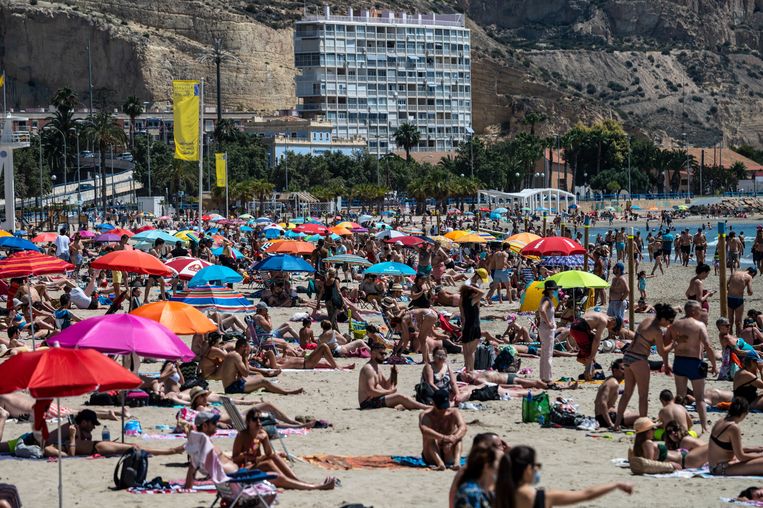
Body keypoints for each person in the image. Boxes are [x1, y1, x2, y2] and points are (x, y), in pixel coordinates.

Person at [494, 445, 634, 508]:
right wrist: (616, 484)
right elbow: (586, 494)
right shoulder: (543, 497)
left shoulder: (499, 494)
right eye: (536, 466)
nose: (537, 470)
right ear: (527, 470)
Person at [231, 409, 336, 490]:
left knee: (274, 456)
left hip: (255, 464)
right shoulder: (242, 436)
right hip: (245, 469)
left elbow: (268, 453)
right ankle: (296, 483)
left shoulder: (261, 433)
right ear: (248, 422)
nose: (258, 422)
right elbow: (234, 459)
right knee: (268, 463)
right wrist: (245, 455)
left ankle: (296, 480)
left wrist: (265, 438)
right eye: (255, 419)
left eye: (260, 419)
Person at [614, 303, 676, 429]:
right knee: (643, 395)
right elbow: (662, 351)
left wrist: (666, 363)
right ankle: (644, 426)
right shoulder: (657, 331)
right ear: (663, 319)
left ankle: (616, 424)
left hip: (627, 356)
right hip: (639, 359)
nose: (670, 324)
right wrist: (674, 345)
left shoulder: (647, 320)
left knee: (627, 393)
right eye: (669, 321)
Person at [665, 300, 717, 433]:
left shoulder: (674, 324)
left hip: (679, 361)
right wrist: (714, 364)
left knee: (680, 396)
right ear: (693, 311)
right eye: (699, 310)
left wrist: (666, 363)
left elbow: (664, 344)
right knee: (699, 398)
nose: (701, 312)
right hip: (694, 362)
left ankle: (677, 424)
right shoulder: (699, 325)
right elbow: (708, 345)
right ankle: (704, 427)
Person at [357, 341, 427, 410]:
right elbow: (370, 391)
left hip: (376, 399)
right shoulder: (368, 369)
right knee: (400, 397)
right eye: (381, 354)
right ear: (373, 353)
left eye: (385, 353)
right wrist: (389, 392)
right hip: (368, 403)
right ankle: (426, 408)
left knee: (406, 399)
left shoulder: (377, 367)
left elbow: (386, 386)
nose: (384, 356)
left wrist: (393, 374)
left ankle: (420, 406)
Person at [220, 338, 303, 395]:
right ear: (243, 347)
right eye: (248, 348)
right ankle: (286, 392)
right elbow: (245, 373)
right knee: (263, 381)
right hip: (232, 388)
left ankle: (271, 388)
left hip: (236, 384)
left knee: (258, 376)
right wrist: (245, 357)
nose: (249, 350)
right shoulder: (236, 356)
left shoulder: (234, 354)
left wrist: (261, 372)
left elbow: (246, 371)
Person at [708, 397, 763, 476]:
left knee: (756, 452)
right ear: (744, 413)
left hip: (714, 466)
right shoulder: (733, 427)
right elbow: (741, 457)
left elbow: (726, 448)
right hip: (721, 469)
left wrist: (755, 449)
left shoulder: (721, 421)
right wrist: (760, 455)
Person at [630, 417, 706, 469]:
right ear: (646, 432)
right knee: (712, 447)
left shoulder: (638, 446)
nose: (654, 431)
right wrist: (669, 465)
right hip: (685, 459)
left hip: (684, 458)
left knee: (711, 448)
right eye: (653, 428)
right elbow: (650, 463)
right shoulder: (648, 443)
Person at [419, 389, 467, 470]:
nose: (443, 410)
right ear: (433, 403)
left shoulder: (453, 413)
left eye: (445, 407)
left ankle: (456, 463)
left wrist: (453, 439)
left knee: (458, 434)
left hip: (449, 450)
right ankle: (440, 464)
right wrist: (444, 437)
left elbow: (463, 427)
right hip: (432, 453)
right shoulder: (426, 415)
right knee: (429, 437)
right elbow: (424, 430)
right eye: (440, 408)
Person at [569, 310, 622, 381]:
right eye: (613, 328)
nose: (610, 329)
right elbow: (597, 340)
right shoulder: (604, 321)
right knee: (589, 352)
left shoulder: (602, 315)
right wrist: (592, 356)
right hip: (579, 328)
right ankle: (591, 373)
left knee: (591, 342)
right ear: (613, 321)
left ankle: (592, 368)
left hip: (576, 325)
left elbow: (588, 322)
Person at [596, 359, 639, 430]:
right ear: (615, 370)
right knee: (640, 416)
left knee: (628, 411)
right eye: (622, 369)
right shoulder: (613, 383)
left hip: (601, 417)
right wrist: (610, 424)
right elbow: (602, 403)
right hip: (606, 418)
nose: (625, 371)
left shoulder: (609, 379)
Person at [459, 283, 485, 372]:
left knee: (466, 351)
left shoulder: (463, 301)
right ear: (473, 292)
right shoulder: (472, 300)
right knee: (471, 352)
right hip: (474, 327)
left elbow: (462, 316)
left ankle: (467, 368)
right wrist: (472, 287)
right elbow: (482, 293)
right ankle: (471, 370)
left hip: (466, 326)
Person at [536, 280, 557, 384]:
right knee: (548, 353)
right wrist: (548, 322)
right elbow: (541, 310)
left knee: (544, 353)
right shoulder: (547, 300)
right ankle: (547, 377)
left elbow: (540, 311)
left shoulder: (545, 299)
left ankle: (544, 376)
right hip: (547, 329)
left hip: (543, 328)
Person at [727, 267, 756, 335]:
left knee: (730, 321)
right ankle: (739, 340)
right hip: (738, 299)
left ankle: (729, 338)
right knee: (738, 322)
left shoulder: (734, 273)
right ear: (753, 273)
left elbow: (726, 284)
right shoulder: (749, 277)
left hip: (729, 298)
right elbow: (750, 292)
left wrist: (730, 290)